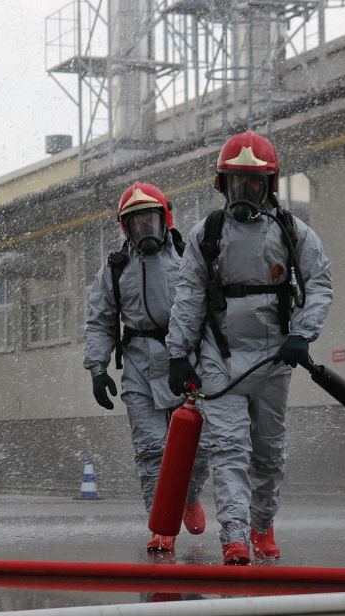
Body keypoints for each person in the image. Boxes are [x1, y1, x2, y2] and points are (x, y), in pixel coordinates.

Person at [166, 130, 333, 566]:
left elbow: (319, 285)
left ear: (268, 185)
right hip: (219, 361)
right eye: (235, 182)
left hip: (275, 358)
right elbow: (188, 297)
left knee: (269, 453)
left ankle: (262, 525)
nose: (244, 192)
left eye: (252, 183)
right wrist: (179, 354)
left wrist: (302, 333)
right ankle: (235, 538)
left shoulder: (293, 233)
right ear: (223, 185)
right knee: (230, 449)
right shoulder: (207, 235)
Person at [84, 181, 210, 554]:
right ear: (127, 228)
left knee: (200, 449)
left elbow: (208, 311)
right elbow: (100, 321)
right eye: (136, 224)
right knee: (152, 450)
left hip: (185, 362)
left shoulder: (189, 258)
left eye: (150, 221)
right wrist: (97, 367)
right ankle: (161, 525)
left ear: (164, 218)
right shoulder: (115, 268)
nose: (144, 230)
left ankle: (189, 496)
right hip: (139, 364)